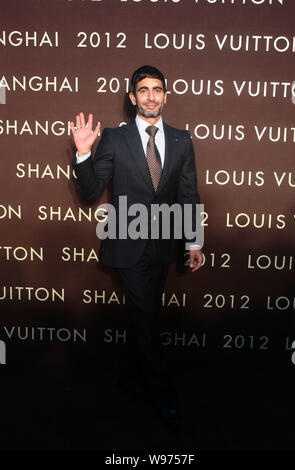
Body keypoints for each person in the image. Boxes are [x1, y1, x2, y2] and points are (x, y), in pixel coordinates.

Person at [70, 65, 203, 431]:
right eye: (142, 90)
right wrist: (83, 154)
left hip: (164, 246)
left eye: (156, 89)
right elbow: (90, 192)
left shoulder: (182, 139)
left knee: (146, 318)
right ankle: (161, 391)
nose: (150, 96)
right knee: (145, 317)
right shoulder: (114, 138)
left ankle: (132, 376)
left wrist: (193, 240)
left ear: (165, 95)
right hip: (128, 245)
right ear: (132, 98)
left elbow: (188, 194)